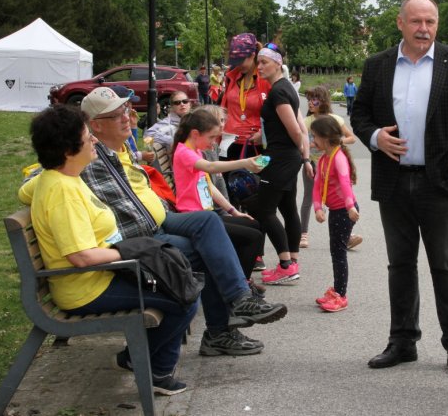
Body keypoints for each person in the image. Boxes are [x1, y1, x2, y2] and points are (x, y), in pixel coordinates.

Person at [20, 87, 288, 358]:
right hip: (137, 239)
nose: (127, 117)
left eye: (125, 110)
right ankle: (220, 330)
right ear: (95, 126)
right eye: (116, 115)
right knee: (205, 254)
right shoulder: (83, 157)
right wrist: (39, 186)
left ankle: (239, 299)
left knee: (210, 223)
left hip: (160, 220)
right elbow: (42, 175)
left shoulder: (118, 149)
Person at [350, 0, 448, 377]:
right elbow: (359, 113)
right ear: (400, 23)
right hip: (393, 181)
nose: (424, 29)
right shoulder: (377, 65)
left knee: (445, 265)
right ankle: (403, 342)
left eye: (431, 21)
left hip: (438, 181)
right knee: (401, 266)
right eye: (416, 21)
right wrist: (375, 137)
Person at [27, 104, 197, 395]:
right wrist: (135, 252)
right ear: (68, 149)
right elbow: (81, 256)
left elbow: (30, 188)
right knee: (184, 297)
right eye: (86, 135)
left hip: (101, 274)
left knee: (180, 280)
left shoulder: (64, 177)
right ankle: (146, 366)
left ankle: (147, 364)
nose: (93, 139)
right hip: (86, 288)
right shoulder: (62, 191)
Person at [171, 108, 266, 285]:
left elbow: (209, 186)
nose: (214, 143)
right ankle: (240, 288)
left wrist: (233, 211)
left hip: (207, 215)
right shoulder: (184, 153)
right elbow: (211, 167)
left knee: (252, 224)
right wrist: (245, 162)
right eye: (211, 137)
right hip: (195, 218)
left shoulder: (195, 151)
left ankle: (239, 280)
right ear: (195, 134)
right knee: (252, 237)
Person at [244, 43, 311, 285]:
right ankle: (292, 261)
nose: (259, 67)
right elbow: (298, 128)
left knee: (262, 209)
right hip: (287, 156)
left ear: (277, 63)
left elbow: (296, 130)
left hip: (280, 159)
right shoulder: (287, 88)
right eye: (258, 62)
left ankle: (285, 264)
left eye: (264, 62)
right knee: (287, 208)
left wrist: (305, 156)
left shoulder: (279, 92)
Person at [299, 85, 359, 250]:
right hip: (313, 164)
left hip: (332, 164)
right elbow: (300, 144)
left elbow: (351, 138)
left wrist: (335, 142)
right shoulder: (306, 121)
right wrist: (307, 151)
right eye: (309, 99)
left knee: (341, 198)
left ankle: (345, 235)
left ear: (323, 100)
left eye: (314, 99)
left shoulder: (335, 119)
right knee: (309, 197)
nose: (310, 102)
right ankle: (303, 233)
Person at [311, 116, 359, 312]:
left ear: (326, 138)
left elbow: (346, 183)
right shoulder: (323, 159)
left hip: (344, 211)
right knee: (336, 252)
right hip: (335, 210)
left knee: (338, 253)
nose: (312, 141)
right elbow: (316, 186)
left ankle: (341, 295)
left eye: (315, 137)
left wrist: (350, 207)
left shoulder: (338, 158)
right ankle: (337, 291)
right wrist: (318, 208)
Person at [220, 33, 272, 161]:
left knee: (254, 181)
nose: (238, 64)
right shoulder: (231, 77)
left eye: (241, 59)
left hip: (255, 145)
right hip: (229, 142)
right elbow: (225, 108)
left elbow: (277, 115)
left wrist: (263, 134)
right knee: (228, 180)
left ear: (253, 55)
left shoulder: (266, 80)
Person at [114, 85, 156, 164]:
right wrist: (141, 156)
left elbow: (132, 147)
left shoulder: (124, 123)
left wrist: (133, 127)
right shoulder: (115, 126)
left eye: (131, 103)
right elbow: (120, 156)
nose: (130, 106)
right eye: (128, 103)